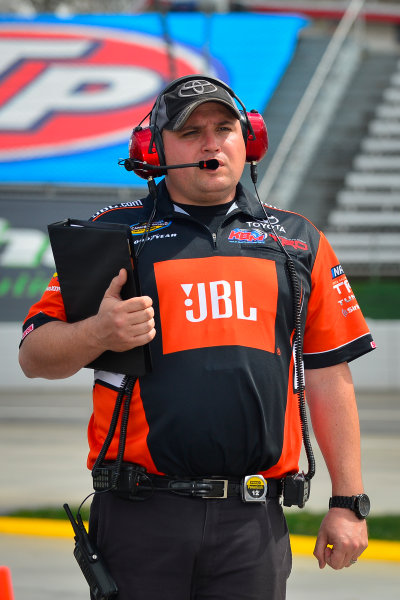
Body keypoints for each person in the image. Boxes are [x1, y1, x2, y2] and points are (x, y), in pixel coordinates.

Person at [19, 74, 375, 600]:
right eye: (191, 132)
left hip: (253, 523)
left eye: (224, 128)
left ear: (247, 140)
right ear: (154, 148)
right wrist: (98, 331)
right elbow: (34, 356)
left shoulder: (297, 241)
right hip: (140, 516)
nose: (211, 143)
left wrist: (348, 502)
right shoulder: (111, 234)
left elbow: (328, 374)